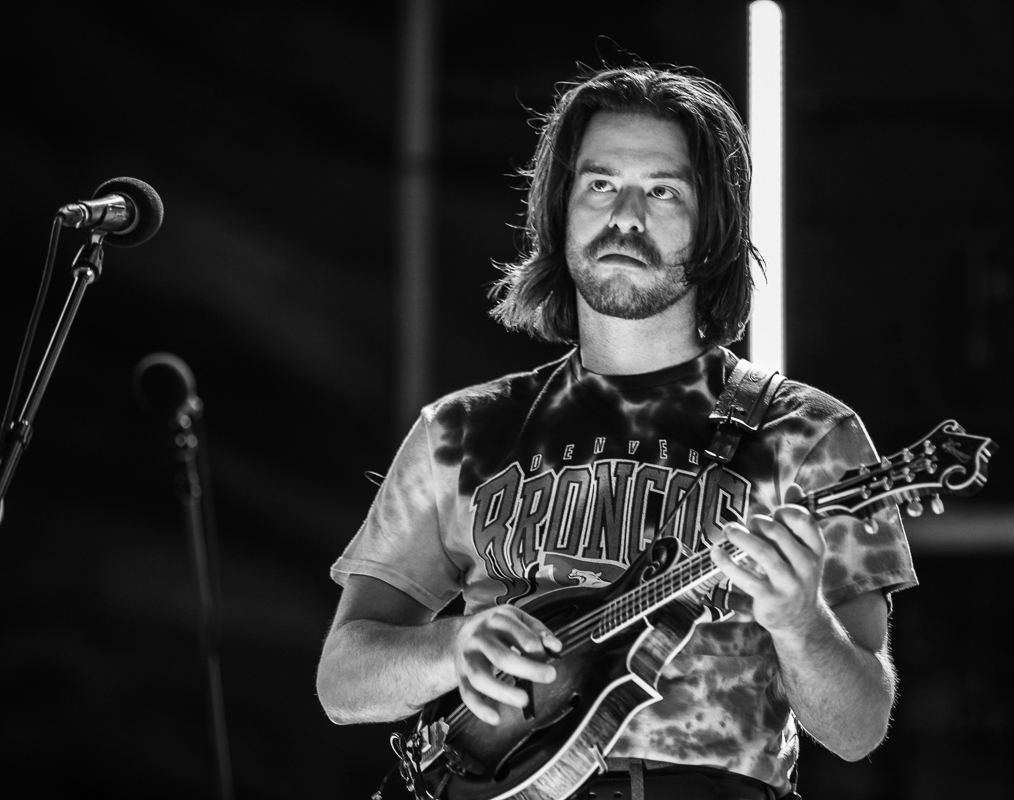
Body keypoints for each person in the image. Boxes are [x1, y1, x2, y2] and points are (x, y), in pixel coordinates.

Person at [316, 65, 917, 800]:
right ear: (559, 210)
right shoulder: (465, 429)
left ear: (712, 226)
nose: (625, 216)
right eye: (599, 185)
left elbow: (857, 731)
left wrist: (800, 623)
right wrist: (453, 650)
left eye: (663, 191)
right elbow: (343, 682)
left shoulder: (808, 434)